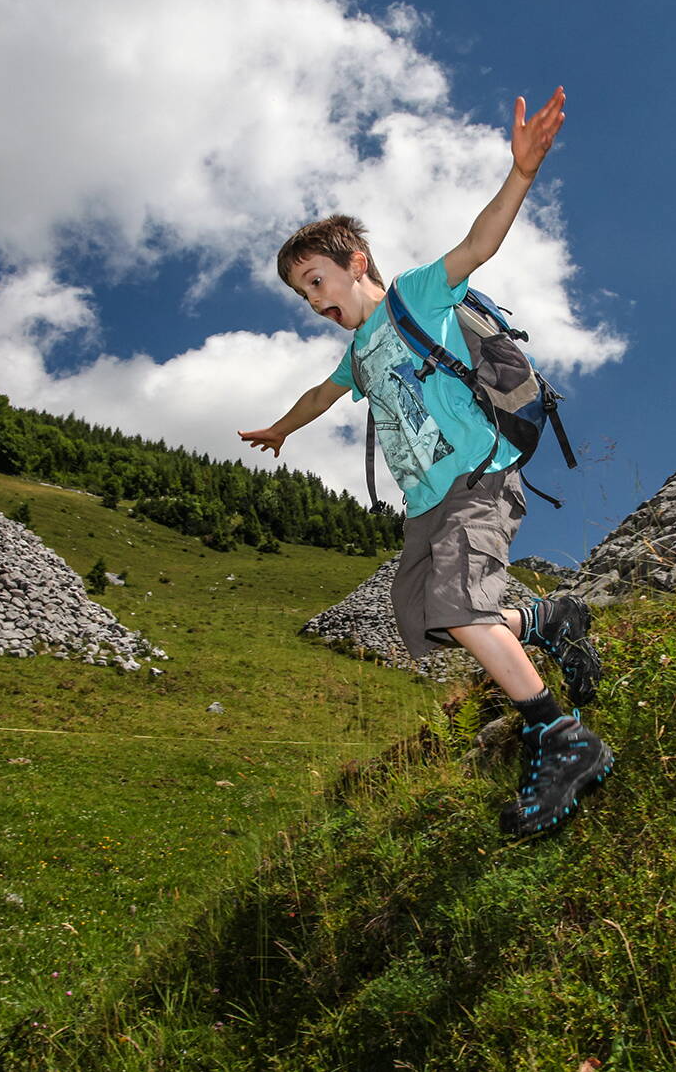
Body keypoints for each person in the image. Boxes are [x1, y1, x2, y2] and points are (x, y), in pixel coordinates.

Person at [238, 87, 612, 836]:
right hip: (426, 508)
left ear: (356, 263)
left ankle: (562, 738)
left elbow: (478, 244)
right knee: (423, 623)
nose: (312, 301)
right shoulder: (358, 354)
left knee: (455, 605)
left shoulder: (415, 296)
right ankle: (546, 618)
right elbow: (321, 393)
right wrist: (282, 428)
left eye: (316, 281)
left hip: (479, 477)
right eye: (300, 293)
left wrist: (521, 176)